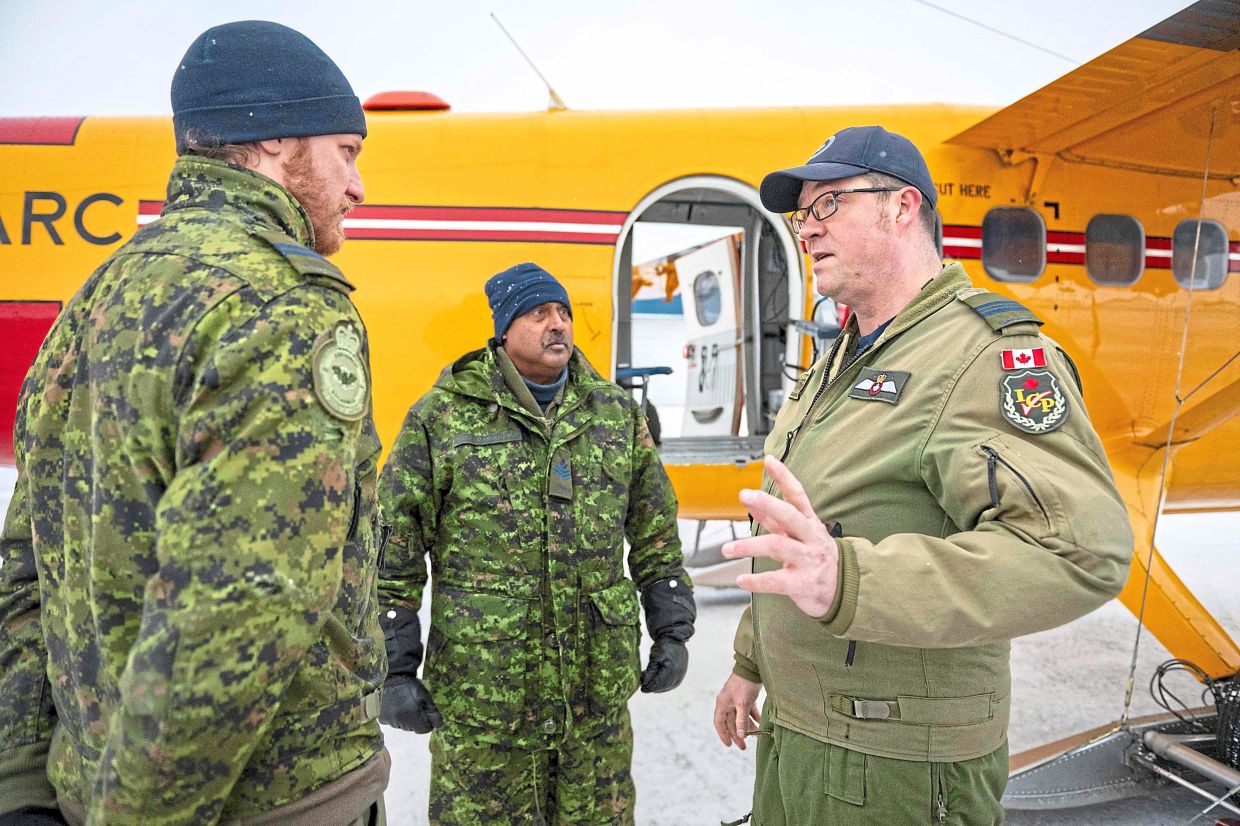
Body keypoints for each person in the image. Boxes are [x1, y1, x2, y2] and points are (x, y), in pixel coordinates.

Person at [0, 21, 389, 826]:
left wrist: (21, 787)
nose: (357, 186)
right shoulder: (284, 308)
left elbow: (25, 566)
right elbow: (239, 610)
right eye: (346, 151)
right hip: (271, 805)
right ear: (278, 140)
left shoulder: (99, 295)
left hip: (92, 790)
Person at [712, 126, 1134, 824]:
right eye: (802, 214)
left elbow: (1078, 551)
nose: (807, 231)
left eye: (828, 206)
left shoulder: (984, 356)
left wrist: (851, 580)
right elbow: (805, 531)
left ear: (902, 207)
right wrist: (752, 665)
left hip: (897, 763)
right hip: (798, 734)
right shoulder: (843, 358)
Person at [377, 262, 695, 825]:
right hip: (486, 702)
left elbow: (653, 529)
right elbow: (393, 551)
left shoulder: (615, 415)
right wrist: (395, 669)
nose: (558, 325)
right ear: (503, 329)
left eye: (564, 313)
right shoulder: (442, 417)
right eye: (538, 312)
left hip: (592, 702)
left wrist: (672, 628)